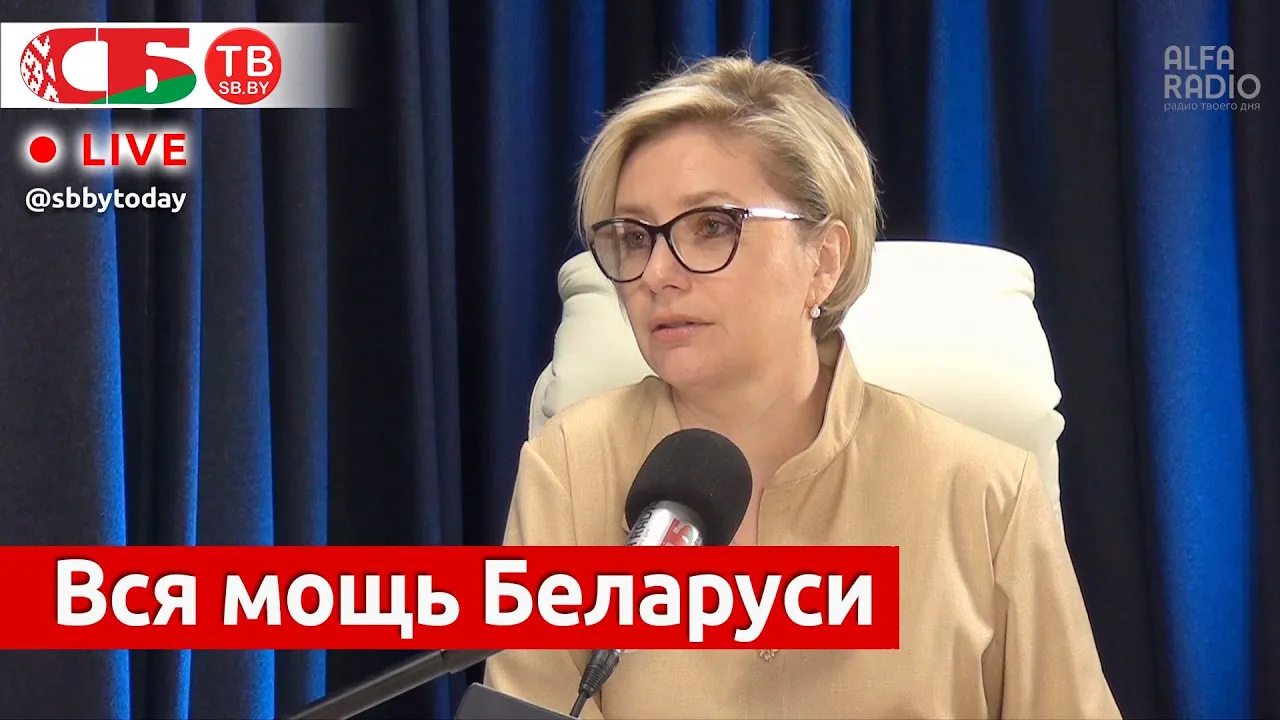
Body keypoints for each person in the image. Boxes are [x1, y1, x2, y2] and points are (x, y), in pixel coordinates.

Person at [484, 55, 1121, 720]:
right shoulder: (571, 467)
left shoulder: (987, 494)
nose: (657, 273)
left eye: (711, 226)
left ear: (823, 260)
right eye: (635, 237)